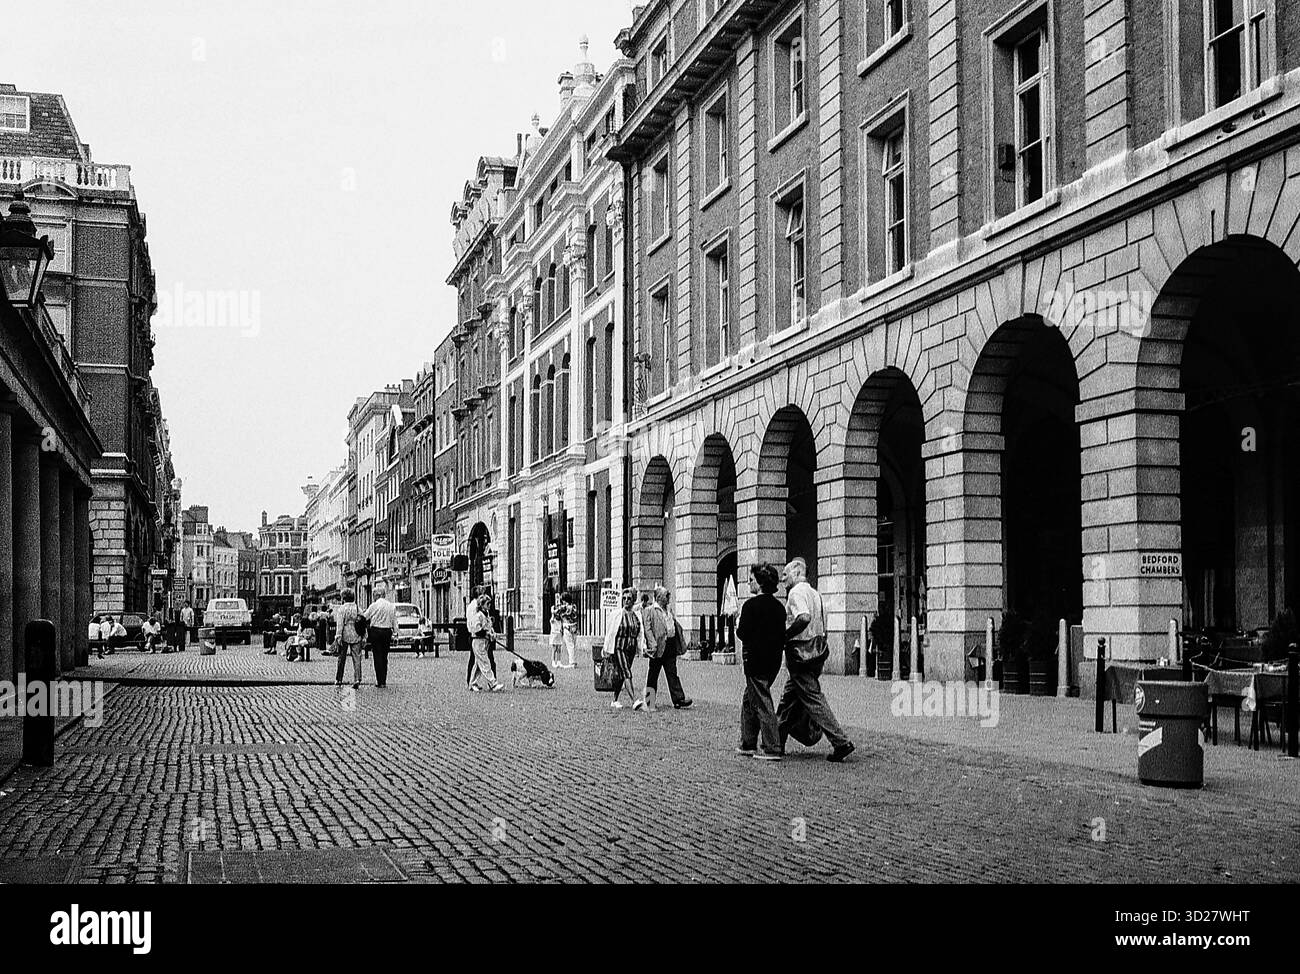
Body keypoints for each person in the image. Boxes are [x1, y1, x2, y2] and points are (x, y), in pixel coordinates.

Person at [776, 558, 855, 762]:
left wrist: (785, 635)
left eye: (785, 574)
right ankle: (776, 742)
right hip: (817, 653)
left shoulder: (796, 593)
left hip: (800, 654)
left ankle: (841, 741)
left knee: (813, 699)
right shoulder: (816, 594)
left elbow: (804, 617)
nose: (782, 579)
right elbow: (823, 626)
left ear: (796, 571)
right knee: (789, 700)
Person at [736, 562, 786, 760]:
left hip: (754, 661)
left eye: (751, 580)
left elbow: (742, 633)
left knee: (762, 702)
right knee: (750, 699)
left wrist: (738, 624)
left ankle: (772, 746)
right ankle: (747, 742)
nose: (749, 583)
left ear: (759, 583)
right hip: (773, 660)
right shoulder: (778, 607)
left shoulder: (750, 606)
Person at [640, 586, 692, 711]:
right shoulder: (650, 610)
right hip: (657, 646)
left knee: (672, 673)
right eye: (666, 595)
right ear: (658, 598)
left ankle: (678, 699)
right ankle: (649, 702)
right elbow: (647, 629)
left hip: (670, 644)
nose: (669, 597)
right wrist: (652, 644)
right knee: (653, 675)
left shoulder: (669, 609)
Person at [603, 587, 643, 710]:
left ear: (633, 600)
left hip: (630, 648)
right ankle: (634, 700)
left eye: (629, 598)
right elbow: (610, 632)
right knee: (627, 672)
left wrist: (641, 648)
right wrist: (606, 648)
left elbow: (639, 633)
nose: (626, 601)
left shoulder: (636, 615)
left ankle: (615, 699)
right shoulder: (616, 615)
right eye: (624, 598)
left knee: (622, 674)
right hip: (619, 648)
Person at [465, 593, 504, 692]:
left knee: (479, 664)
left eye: (490, 604)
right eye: (487, 604)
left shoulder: (486, 615)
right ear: (481, 605)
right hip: (478, 642)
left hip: (485, 643)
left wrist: (493, 634)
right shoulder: (478, 616)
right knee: (485, 663)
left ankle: (472, 683)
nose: (489, 606)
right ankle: (493, 683)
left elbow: (489, 627)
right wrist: (487, 634)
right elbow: (477, 631)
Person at [363, 585, 397, 688]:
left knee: (377, 655)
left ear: (377, 595)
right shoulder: (391, 606)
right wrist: (395, 632)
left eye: (374, 595)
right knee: (384, 655)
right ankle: (384, 680)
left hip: (376, 631)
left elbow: (365, 617)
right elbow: (394, 620)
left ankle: (379, 680)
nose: (373, 597)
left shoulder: (374, 605)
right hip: (387, 631)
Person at [333, 590, 364, 689]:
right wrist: (364, 636)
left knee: (341, 658)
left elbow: (340, 624)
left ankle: (339, 679)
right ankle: (357, 679)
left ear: (344, 598)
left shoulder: (342, 609)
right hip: (356, 634)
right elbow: (363, 622)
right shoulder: (358, 608)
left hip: (345, 634)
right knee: (357, 658)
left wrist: (338, 636)